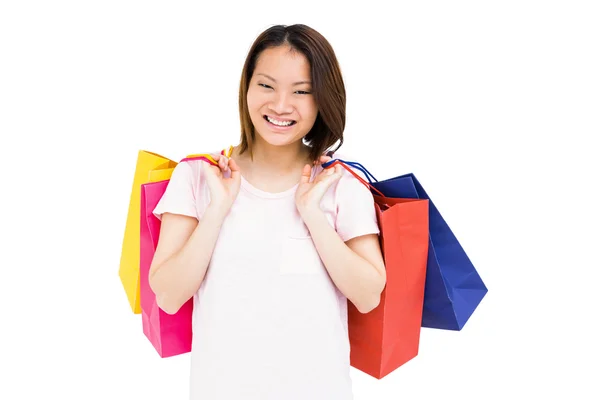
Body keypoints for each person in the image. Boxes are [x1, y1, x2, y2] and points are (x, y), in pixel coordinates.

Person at [148, 24, 386, 400]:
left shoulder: (340, 184)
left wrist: (313, 215)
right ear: (247, 87)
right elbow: (169, 295)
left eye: (301, 91)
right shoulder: (197, 175)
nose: (280, 105)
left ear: (322, 98)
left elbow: (368, 295)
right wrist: (217, 211)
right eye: (266, 85)